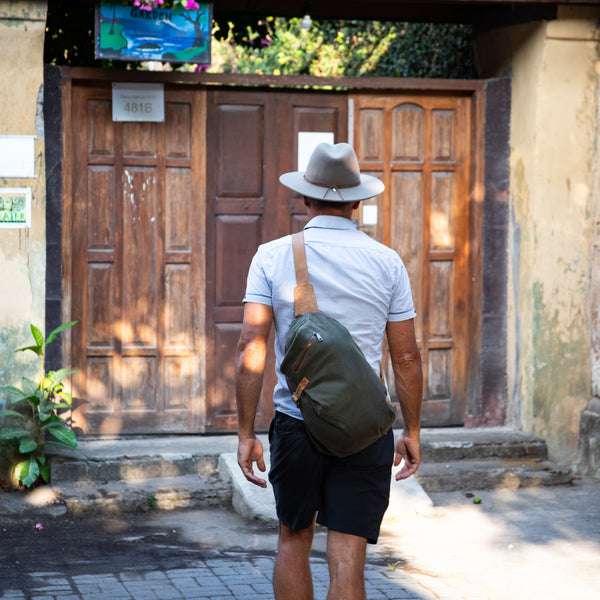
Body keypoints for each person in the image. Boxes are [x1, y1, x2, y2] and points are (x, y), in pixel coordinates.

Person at [235, 142, 423, 600]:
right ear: (357, 201)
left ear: (305, 197)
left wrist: (246, 433)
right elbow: (406, 358)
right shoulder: (387, 262)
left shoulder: (272, 255)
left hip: (298, 426)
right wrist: (412, 430)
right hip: (365, 428)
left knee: (293, 542)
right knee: (348, 555)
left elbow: (250, 346)